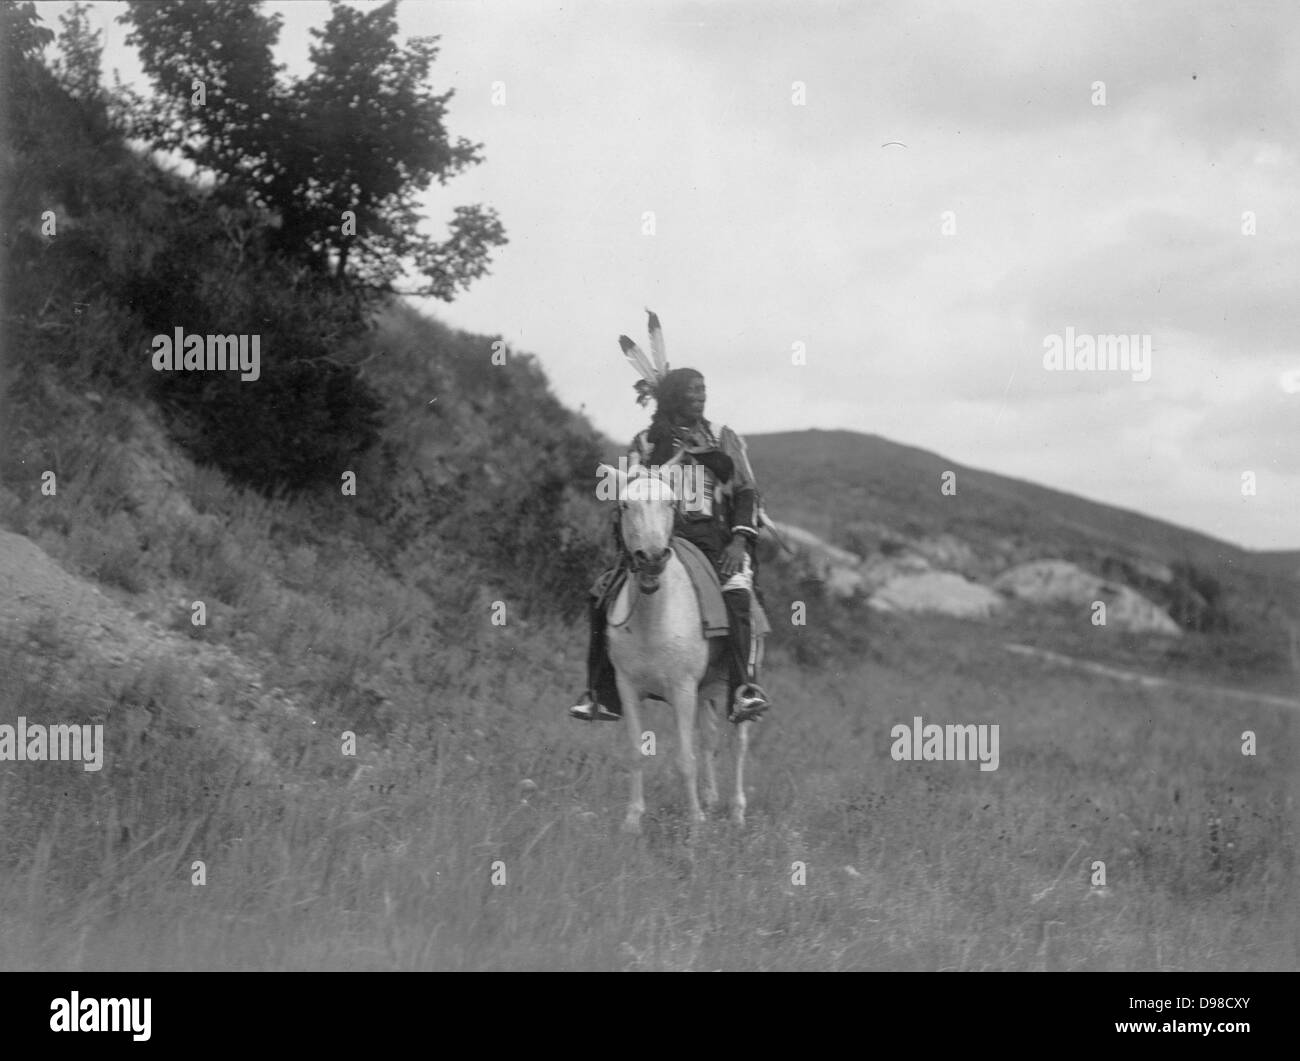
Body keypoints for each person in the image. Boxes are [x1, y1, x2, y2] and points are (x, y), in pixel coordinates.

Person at [569, 366, 771, 725]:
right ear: (675, 397)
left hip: (711, 540)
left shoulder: (722, 437)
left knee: (737, 593)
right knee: (601, 594)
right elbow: (631, 490)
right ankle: (602, 694)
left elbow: (746, 490)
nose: (701, 397)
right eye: (692, 391)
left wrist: (739, 540)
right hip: (657, 535)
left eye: (703, 390)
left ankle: (743, 690)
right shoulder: (646, 442)